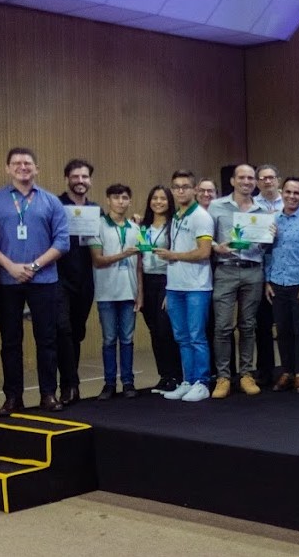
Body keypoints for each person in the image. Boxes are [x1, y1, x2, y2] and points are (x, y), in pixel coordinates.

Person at [0, 147, 70, 414]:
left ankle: (48, 394)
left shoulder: (51, 202)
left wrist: (34, 266)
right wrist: (10, 267)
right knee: (10, 341)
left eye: (28, 163)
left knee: (47, 339)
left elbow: (62, 242)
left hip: (45, 280)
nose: (22, 167)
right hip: (7, 281)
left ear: (37, 168)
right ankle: (13, 397)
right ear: (7, 168)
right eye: (16, 163)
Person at [156, 170, 215, 403]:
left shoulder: (201, 217)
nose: (180, 190)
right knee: (181, 337)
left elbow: (204, 252)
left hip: (197, 286)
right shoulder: (176, 217)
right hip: (175, 285)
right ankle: (188, 380)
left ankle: (202, 382)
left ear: (194, 190)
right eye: (176, 187)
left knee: (197, 336)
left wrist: (174, 255)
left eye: (185, 186)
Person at [207, 164, 266, 398]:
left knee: (248, 326)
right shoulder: (216, 206)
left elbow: (266, 244)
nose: (246, 181)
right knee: (222, 326)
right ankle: (223, 377)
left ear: (255, 182)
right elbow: (205, 237)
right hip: (226, 269)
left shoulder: (263, 210)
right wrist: (216, 247)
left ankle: (246, 374)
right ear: (232, 181)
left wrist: (271, 236)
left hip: (253, 271)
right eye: (242, 177)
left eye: (251, 178)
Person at [266, 177, 299, 394]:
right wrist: (267, 280)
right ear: (282, 193)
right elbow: (267, 253)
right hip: (277, 283)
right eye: (288, 192)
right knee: (282, 330)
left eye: (296, 193)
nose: (292, 196)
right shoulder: (273, 219)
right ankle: (287, 371)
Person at [90, 184, 141, 400]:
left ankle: (128, 381)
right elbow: (97, 260)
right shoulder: (98, 226)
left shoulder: (135, 228)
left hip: (129, 291)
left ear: (130, 201)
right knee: (109, 339)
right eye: (116, 197)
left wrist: (140, 293)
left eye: (125, 198)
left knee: (127, 339)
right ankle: (109, 383)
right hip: (106, 292)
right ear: (108, 200)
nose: (121, 201)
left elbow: (139, 265)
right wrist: (123, 254)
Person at [56, 158, 95, 405]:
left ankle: (72, 384)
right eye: (75, 176)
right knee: (63, 330)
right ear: (67, 179)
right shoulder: (56, 205)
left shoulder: (95, 209)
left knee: (77, 332)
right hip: (59, 278)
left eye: (84, 177)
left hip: (86, 281)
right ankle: (69, 385)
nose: (80, 181)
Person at [137, 186, 181, 394]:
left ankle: (177, 375)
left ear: (169, 201)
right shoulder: (143, 226)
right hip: (147, 280)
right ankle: (164, 375)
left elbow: (177, 257)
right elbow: (139, 258)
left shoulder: (174, 225)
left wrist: (171, 289)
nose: (158, 202)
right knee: (154, 330)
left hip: (167, 279)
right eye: (154, 198)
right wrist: (140, 291)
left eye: (163, 198)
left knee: (166, 329)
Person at [252, 164, 284, 387]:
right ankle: (265, 371)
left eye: (271, 177)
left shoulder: (290, 203)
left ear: (278, 180)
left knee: (285, 326)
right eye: (262, 178)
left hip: (284, 272)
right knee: (262, 326)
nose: (267, 181)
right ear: (257, 182)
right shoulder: (251, 206)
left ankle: (289, 370)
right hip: (259, 271)